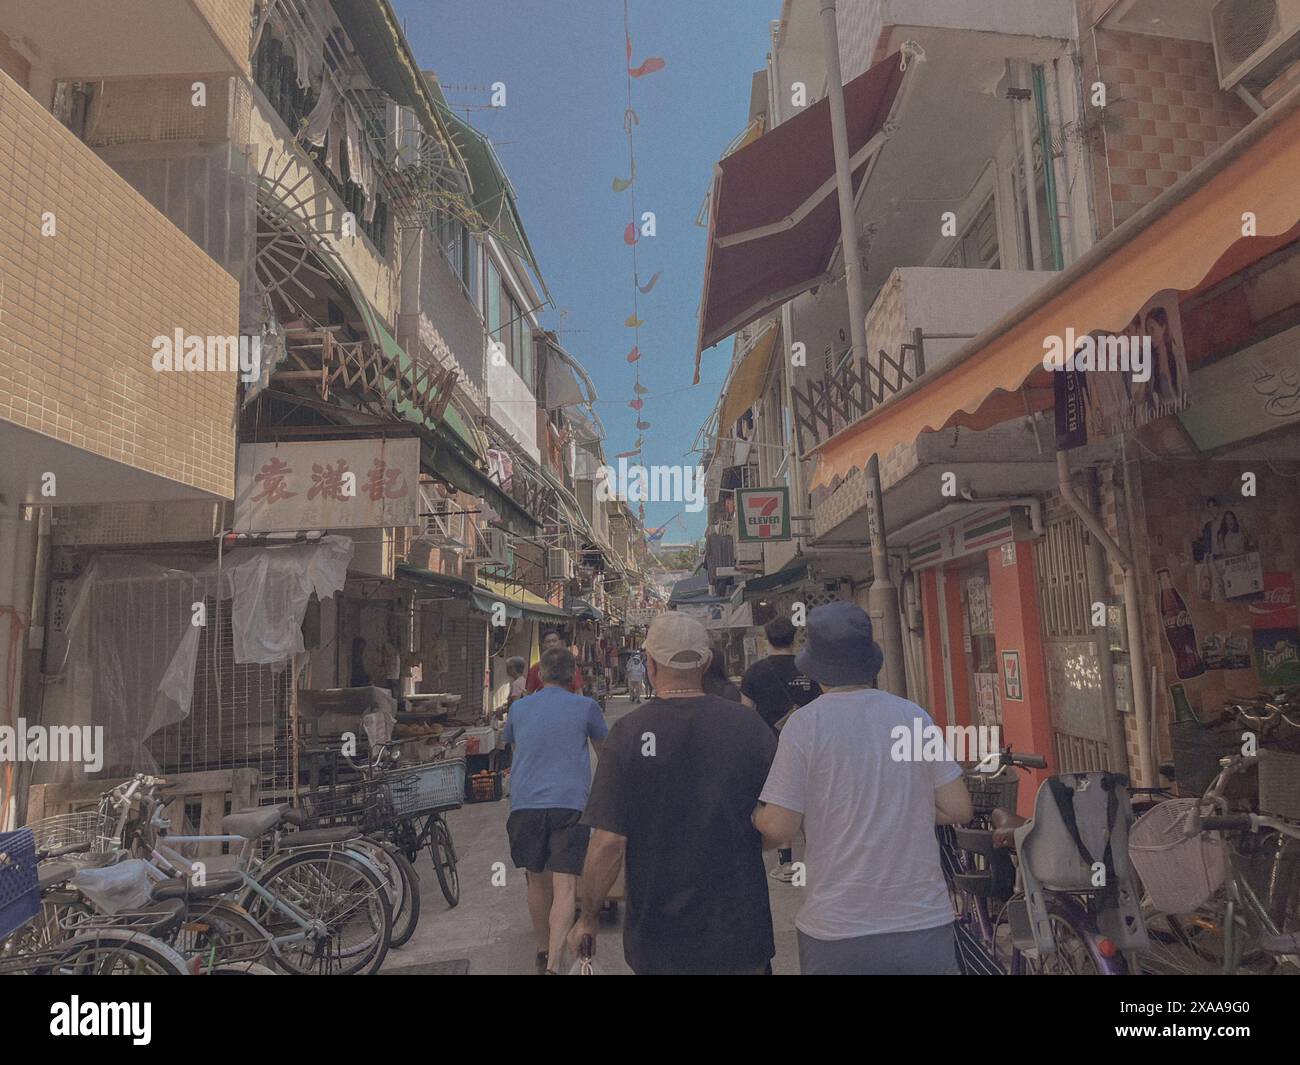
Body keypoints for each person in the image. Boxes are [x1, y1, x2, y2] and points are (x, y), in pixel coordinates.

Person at [752, 602, 974, 975]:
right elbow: (958, 809)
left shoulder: (805, 726)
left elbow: (779, 828)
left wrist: (754, 814)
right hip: (921, 922)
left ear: (817, 669)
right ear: (870, 663)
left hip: (838, 929)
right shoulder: (912, 716)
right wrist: (902, 804)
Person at [566, 612, 777, 975]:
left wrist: (588, 916)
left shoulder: (629, 734)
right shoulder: (748, 726)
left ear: (649, 665)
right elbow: (780, 818)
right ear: (707, 662)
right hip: (741, 933)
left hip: (660, 939)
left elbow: (608, 842)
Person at [503, 647, 608, 975]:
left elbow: (518, 749)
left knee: (536, 881)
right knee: (565, 886)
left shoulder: (518, 710)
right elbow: (605, 755)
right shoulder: (587, 707)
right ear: (573, 675)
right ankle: (553, 966)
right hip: (569, 804)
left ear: (541, 674)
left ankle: (542, 949)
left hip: (525, 804)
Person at [740, 617, 822, 880]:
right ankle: (818, 860)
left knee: (780, 801)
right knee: (811, 801)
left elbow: (746, 714)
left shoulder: (754, 673)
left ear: (766, 638)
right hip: (811, 743)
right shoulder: (810, 670)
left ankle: (786, 864)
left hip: (770, 746)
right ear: (795, 637)